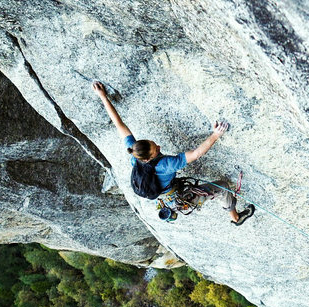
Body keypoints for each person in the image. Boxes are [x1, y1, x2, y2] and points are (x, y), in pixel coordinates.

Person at [92, 81, 254, 225]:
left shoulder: (136, 156)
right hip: (176, 196)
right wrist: (216, 135)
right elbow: (197, 153)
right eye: (156, 149)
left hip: (163, 196)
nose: (158, 146)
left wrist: (103, 97)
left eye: (153, 143)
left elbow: (119, 125)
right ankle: (236, 218)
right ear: (149, 158)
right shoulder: (166, 164)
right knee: (223, 187)